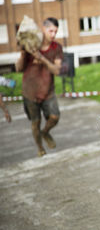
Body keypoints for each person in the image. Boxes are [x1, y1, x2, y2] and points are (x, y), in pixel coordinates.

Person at [15, 17, 63, 157]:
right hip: (30, 92)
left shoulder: (56, 48)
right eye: (51, 30)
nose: (53, 34)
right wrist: (24, 53)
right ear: (43, 29)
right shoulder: (31, 44)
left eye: (55, 31)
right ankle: (40, 147)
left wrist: (41, 58)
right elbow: (19, 69)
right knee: (35, 122)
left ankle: (45, 132)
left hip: (48, 91)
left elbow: (57, 70)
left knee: (54, 117)